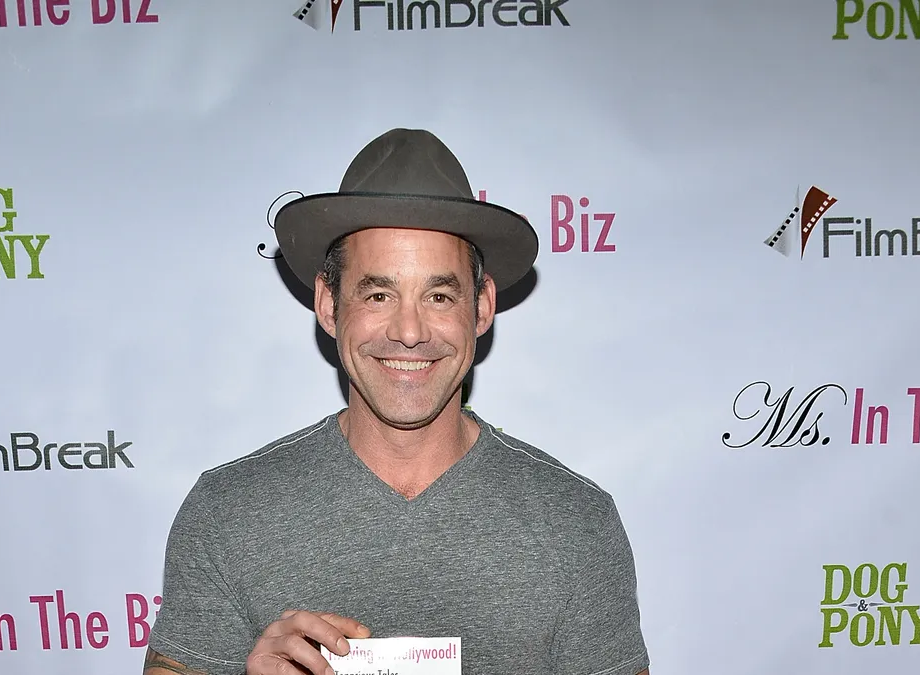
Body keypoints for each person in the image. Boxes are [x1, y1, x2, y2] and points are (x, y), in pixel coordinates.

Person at [143, 128, 651, 675]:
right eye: (379, 294)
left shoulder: (575, 524)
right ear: (328, 304)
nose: (409, 332)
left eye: (439, 296)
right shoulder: (227, 512)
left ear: (481, 308)